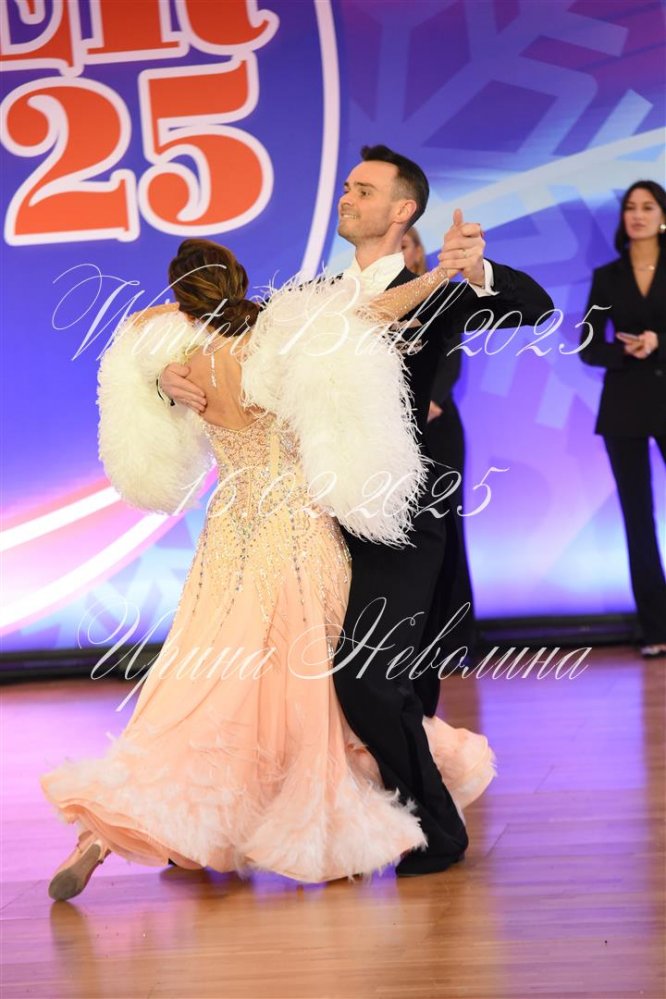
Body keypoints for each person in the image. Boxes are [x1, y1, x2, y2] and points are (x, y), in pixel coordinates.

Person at [42, 239, 497, 901]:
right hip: (298, 531)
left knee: (205, 682)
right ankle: (320, 829)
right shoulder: (280, 336)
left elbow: (138, 332)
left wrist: (167, 359)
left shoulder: (171, 348)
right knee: (308, 688)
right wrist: (439, 277)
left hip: (230, 533)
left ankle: (107, 837)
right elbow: (368, 313)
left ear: (182, 296)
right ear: (241, 278)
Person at [163, 148, 554, 878]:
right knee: (309, 684)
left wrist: (477, 270)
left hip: (397, 515)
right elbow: (230, 350)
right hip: (313, 522)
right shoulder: (308, 297)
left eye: (364, 189)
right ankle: (326, 822)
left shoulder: (432, 294)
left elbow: (537, 309)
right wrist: (168, 376)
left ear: (403, 210)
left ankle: (436, 830)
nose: (347, 196)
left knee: (369, 679)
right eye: (346, 186)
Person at [580, 180, 666, 658]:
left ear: (663, 216)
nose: (637, 215)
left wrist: (659, 342)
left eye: (647, 207)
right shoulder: (607, 276)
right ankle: (656, 628)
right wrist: (623, 349)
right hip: (625, 406)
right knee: (637, 517)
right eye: (631, 207)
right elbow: (589, 345)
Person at [401, 226, 478, 658]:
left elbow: (451, 356)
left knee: (447, 527)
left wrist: (430, 400)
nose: (400, 252)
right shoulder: (374, 300)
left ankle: (457, 640)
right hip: (391, 434)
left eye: (406, 244)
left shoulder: (441, 297)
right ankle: (411, 642)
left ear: (418, 250)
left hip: (437, 426)